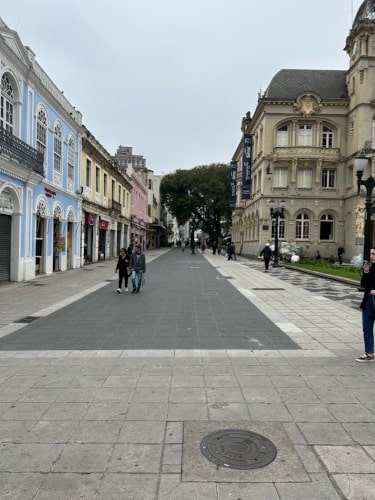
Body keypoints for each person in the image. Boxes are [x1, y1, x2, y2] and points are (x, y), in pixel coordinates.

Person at [357, 247, 375, 362]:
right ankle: (369, 353)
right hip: (368, 301)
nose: (371, 256)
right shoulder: (372, 268)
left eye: (373, 254)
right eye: (371, 254)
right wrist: (366, 271)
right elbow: (363, 284)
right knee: (367, 327)